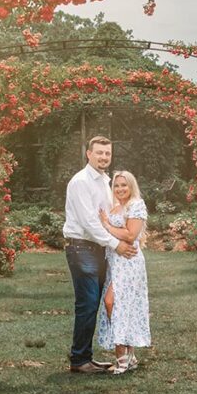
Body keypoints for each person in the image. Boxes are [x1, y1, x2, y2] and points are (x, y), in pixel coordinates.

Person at [63, 136, 137, 374]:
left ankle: (85, 357)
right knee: (87, 303)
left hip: (98, 249)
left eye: (107, 153)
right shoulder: (80, 182)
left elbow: (107, 218)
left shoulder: (105, 181)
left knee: (96, 302)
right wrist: (117, 244)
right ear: (88, 154)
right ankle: (79, 360)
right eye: (100, 153)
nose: (104, 157)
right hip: (82, 247)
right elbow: (90, 224)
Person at [96, 170, 151, 375]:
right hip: (114, 263)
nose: (120, 189)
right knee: (121, 304)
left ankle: (122, 357)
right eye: (117, 185)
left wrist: (107, 225)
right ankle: (130, 355)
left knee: (114, 302)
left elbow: (130, 234)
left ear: (131, 186)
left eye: (124, 185)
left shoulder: (136, 205)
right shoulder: (114, 206)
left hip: (129, 262)